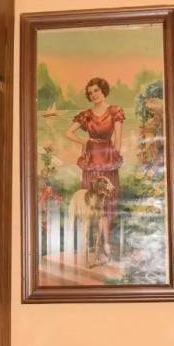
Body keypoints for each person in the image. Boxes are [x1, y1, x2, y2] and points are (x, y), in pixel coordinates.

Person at [65, 77, 124, 262]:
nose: (93, 95)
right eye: (90, 93)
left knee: (107, 202)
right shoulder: (86, 115)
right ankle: (96, 247)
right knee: (93, 203)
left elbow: (118, 141)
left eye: (96, 91)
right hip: (91, 160)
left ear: (103, 91)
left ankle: (106, 245)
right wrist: (83, 142)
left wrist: (114, 158)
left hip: (107, 159)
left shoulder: (114, 111)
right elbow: (68, 132)